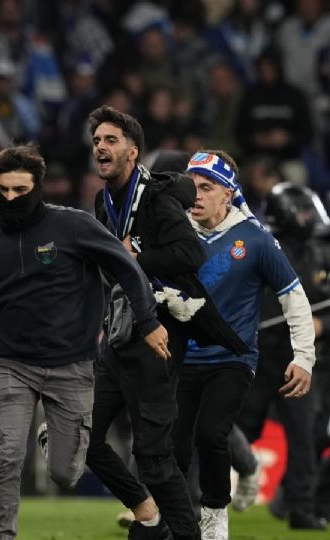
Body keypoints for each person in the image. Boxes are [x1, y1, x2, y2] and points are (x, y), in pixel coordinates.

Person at [0, 143, 170, 540]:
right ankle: (2, 536)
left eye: (19, 191)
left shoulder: (73, 226)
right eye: (2, 191)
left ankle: (50, 436)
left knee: (65, 473)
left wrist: (147, 321)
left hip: (72, 365)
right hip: (13, 365)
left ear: (37, 188)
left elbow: (127, 268)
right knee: (5, 456)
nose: (10, 198)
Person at [82, 106, 247, 540]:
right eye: (97, 139)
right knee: (87, 440)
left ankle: (180, 532)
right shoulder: (104, 201)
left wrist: (135, 257)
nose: (101, 146)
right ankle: (148, 513)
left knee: (154, 457)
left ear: (133, 152)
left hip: (158, 338)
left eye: (111, 140)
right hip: (119, 336)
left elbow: (191, 254)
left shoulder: (155, 198)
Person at [172, 150, 315, 539]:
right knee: (173, 446)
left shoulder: (255, 239)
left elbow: (295, 298)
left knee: (212, 434)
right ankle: (172, 520)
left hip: (232, 358)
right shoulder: (172, 230)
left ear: (228, 193)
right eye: (191, 187)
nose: (196, 195)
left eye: (207, 187)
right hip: (181, 357)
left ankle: (215, 519)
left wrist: (304, 357)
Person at [236, 182, 330, 531]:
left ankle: (301, 507)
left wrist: (322, 324)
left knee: (305, 434)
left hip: (298, 356)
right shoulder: (260, 245)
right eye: (303, 210)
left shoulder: (318, 250)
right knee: (240, 428)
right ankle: (196, 493)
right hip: (260, 354)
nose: (309, 218)